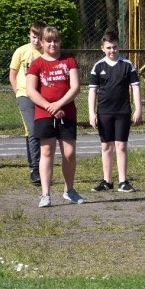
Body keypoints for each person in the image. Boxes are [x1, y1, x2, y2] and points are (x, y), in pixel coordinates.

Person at [25, 26, 84, 207]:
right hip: (44, 113)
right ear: (42, 43)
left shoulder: (69, 61)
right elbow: (30, 91)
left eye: (56, 41)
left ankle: (69, 190)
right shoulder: (36, 64)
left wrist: (59, 104)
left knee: (69, 153)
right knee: (47, 152)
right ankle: (45, 194)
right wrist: (49, 107)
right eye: (48, 41)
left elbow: (75, 87)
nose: (52, 44)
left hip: (66, 112)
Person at [88, 31, 142, 193]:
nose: (112, 50)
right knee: (106, 146)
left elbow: (135, 87)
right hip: (104, 112)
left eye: (115, 47)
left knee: (121, 145)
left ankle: (123, 181)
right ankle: (107, 181)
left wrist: (138, 109)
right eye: (109, 48)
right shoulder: (98, 67)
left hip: (122, 112)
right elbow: (92, 91)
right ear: (103, 49)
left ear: (119, 47)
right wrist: (92, 113)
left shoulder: (127, 65)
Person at [9, 21, 47, 185]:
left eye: (39, 38)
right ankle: (35, 169)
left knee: (40, 131)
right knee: (32, 130)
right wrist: (18, 92)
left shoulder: (46, 53)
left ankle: (43, 166)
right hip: (25, 95)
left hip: (42, 97)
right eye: (33, 37)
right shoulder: (21, 51)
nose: (36, 41)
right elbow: (13, 74)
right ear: (29, 35)